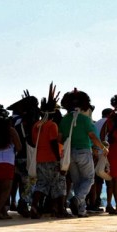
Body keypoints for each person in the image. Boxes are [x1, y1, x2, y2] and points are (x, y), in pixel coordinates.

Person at [59, 89, 108, 218]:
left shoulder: (64, 120)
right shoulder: (85, 120)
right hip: (84, 152)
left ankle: (81, 210)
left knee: (77, 182)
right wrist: (103, 148)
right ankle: (78, 199)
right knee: (89, 179)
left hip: (70, 153)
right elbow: (92, 137)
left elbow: (60, 138)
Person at [30, 85, 71, 218]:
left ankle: (34, 206)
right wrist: (59, 160)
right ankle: (60, 210)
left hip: (39, 159)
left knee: (42, 184)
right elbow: (53, 142)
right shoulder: (51, 125)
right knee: (59, 184)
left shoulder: (36, 126)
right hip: (52, 159)